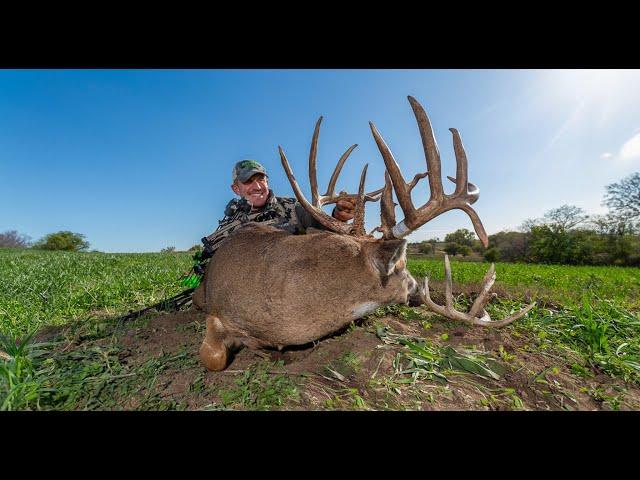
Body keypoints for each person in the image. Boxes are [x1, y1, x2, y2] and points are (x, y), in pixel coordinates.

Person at [195, 160, 355, 273]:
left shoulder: (292, 207)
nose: (257, 186)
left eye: (260, 179)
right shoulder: (229, 227)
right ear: (236, 189)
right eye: (248, 182)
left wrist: (338, 215)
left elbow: (323, 226)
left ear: (267, 181)